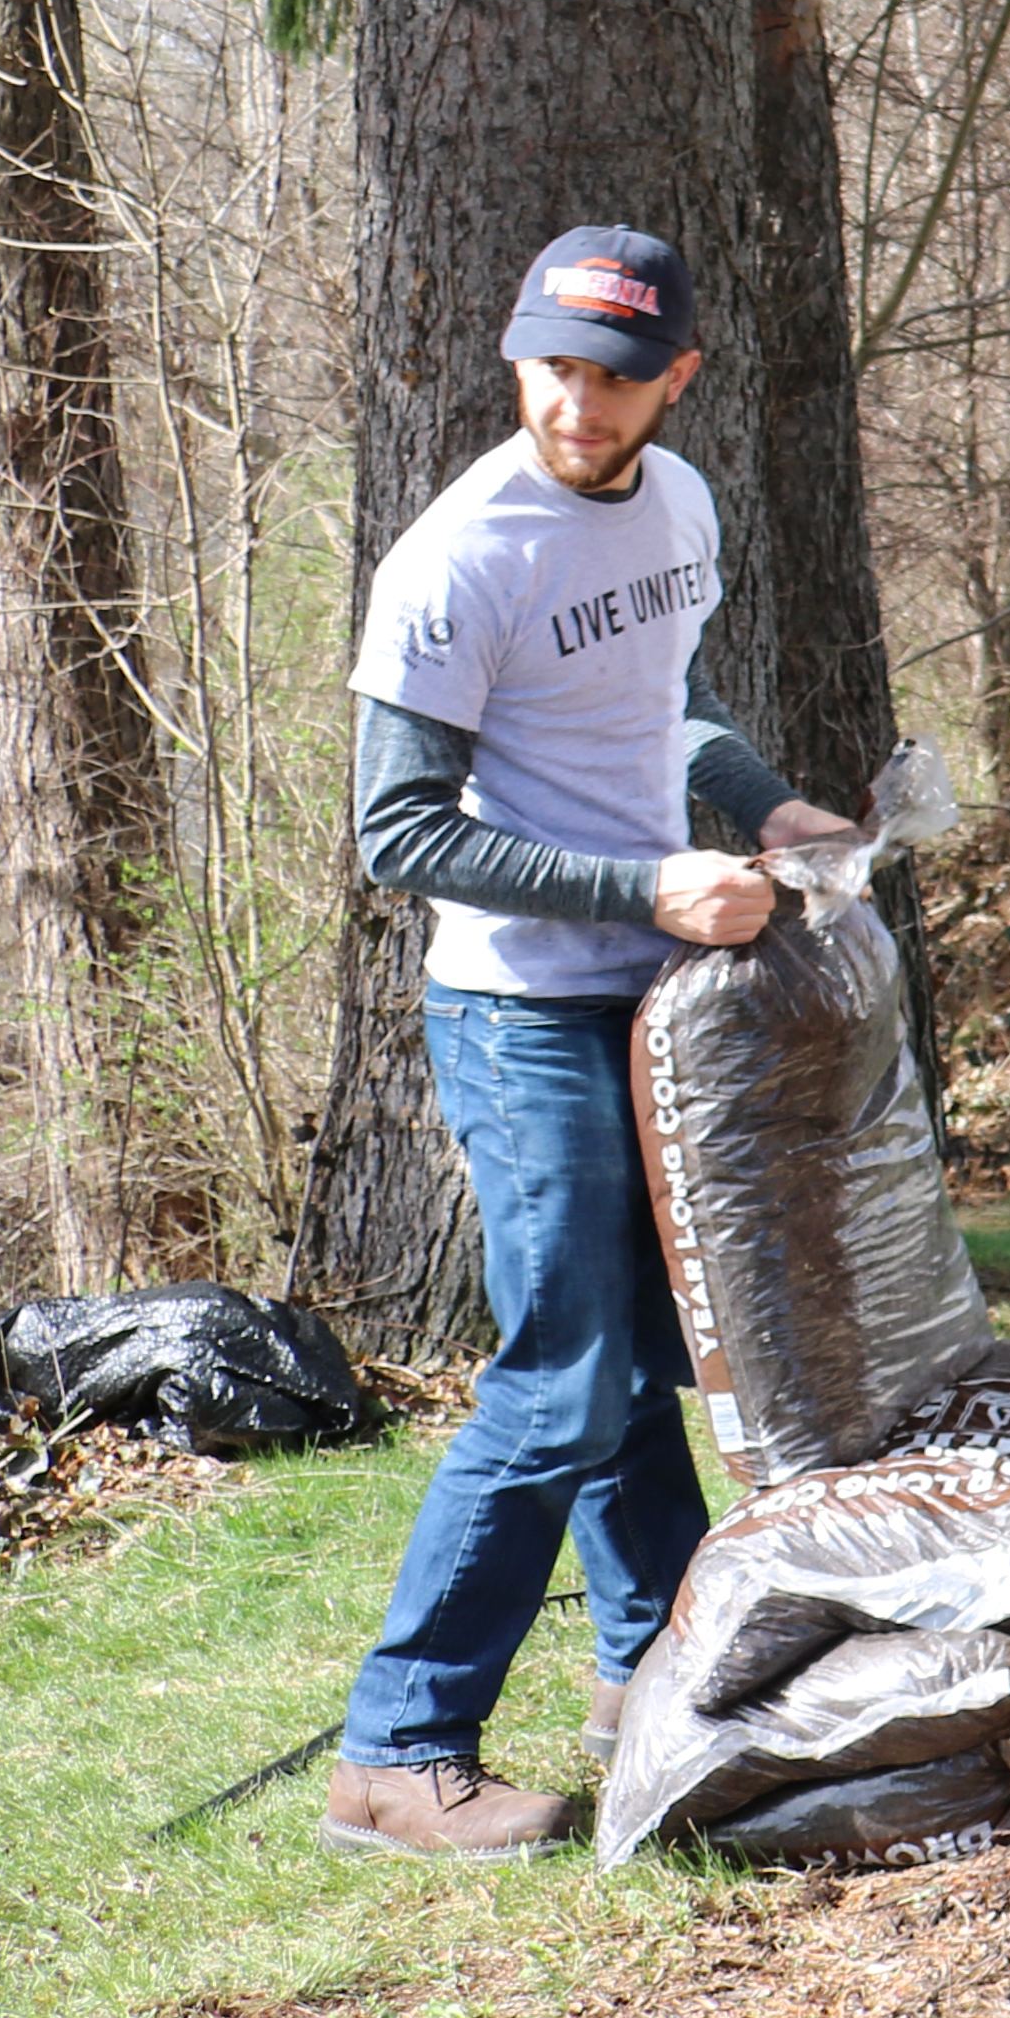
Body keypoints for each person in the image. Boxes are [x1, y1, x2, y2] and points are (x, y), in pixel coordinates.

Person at [322, 225, 852, 1861]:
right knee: (561, 1379)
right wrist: (644, 882)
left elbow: (658, 706)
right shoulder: (459, 558)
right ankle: (399, 1752)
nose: (581, 401)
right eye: (557, 366)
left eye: (618, 376)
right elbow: (398, 832)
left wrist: (760, 800)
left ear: (673, 380)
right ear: (516, 351)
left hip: (659, 996)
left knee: (644, 1356)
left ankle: (650, 1674)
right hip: (519, 1009)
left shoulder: (682, 505)